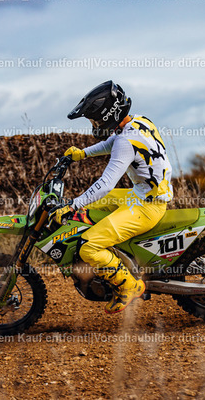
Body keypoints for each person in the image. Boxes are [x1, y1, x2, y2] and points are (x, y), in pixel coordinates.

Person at [50, 80, 173, 314]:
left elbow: (106, 184)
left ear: (107, 115)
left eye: (95, 120)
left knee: (88, 247)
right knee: (90, 207)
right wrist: (82, 154)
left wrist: (73, 205)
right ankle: (117, 255)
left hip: (147, 207)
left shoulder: (125, 142)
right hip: (143, 195)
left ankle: (129, 286)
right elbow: (113, 142)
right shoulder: (140, 121)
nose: (94, 125)